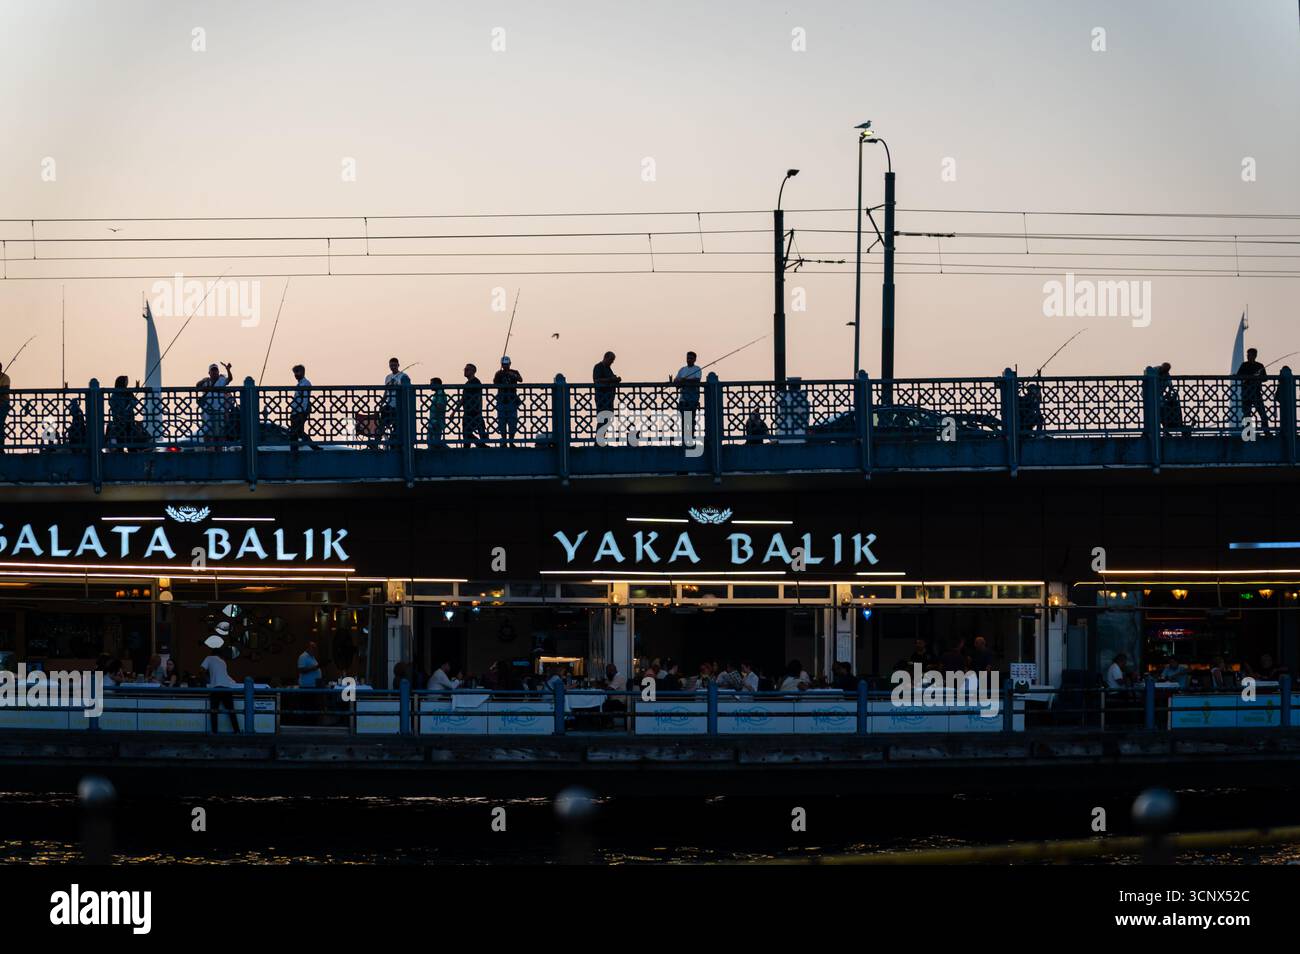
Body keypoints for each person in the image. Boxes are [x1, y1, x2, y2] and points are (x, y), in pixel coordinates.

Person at [200, 635, 241, 733]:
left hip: (216, 688)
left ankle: (215, 732)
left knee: (214, 711)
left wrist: (206, 680)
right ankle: (237, 731)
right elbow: (226, 676)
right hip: (227, 689)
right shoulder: (223, 662)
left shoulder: (209, 658)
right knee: (231, 711)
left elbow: (201, 670)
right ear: (220, 655)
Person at [1235, 347, 1270, 436]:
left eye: (1249, 355)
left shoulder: (1259, 366)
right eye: (1247, 355)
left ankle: (1266, 431)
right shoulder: (1244, 365)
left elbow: (1265, 378)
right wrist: (1248, 377)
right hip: (1246, 393)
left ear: (1255, 356)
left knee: (1262, 412)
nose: (1248, 356)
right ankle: (1249, 433)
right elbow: (1239, 376)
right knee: (1247, 413)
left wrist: (1257, 377)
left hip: (1256, 393)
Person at [289, 364, 321, 450]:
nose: (295, 375)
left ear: (302, 372)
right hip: (296, 411)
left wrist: (301, 412)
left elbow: (305, 400)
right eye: (294, 373)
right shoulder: (300, 384)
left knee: (296, 432)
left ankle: (311, 447)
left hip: (300, 412)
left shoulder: (305, 383)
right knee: (297, 432)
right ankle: (311, 447)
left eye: (297, 372)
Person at [672, 352, 703, 443]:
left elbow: (697, 380)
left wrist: (684, 380)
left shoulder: (697, 369)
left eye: (691, 358)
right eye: (688, 358)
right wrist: (676, 380)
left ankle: (690, 439)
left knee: (691, 420)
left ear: (695, 359)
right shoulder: (682, 370)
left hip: (692, 399)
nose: (689, 360)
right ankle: (684, 439)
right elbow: (676, 380)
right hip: (683, 399)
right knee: (684, 421)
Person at [379, 358, 409, 448]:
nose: (393, 367)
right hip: (389, 404)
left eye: (394, 365)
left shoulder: (403, 376)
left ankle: (394, 442)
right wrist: (382, 402)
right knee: (383, 423)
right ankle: (383, 439)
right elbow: (386, 391)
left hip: (398, 405)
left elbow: (406, 390)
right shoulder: (388, 377)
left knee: (397, 426)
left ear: (398, 365)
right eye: (391, 365)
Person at [493, 356, 523, 446]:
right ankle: (504, 441)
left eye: (507, 364)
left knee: (512, 421)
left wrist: (511, 374)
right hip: (502, 400)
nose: (505, 366)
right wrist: (498, 375)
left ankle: (511, 441)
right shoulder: (499, 373)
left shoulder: (514, 372)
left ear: (510, 364)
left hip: (512, 400)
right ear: (502, 365)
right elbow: (495, 383)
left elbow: (520, 379)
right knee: (502, 422)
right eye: (504, 365)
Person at [1156, 363, 1190, 438]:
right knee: (1158, 412)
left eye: (1166, 371)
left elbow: (1170, 387)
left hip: (1160, 398)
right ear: (1161, 368)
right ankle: (1163, 431)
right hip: (1150, 396)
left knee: (1166, 409)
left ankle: (1167, 429)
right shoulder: (1155, 371)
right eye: (1164, 370)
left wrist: (1170, 395)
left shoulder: (1167, 376)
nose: (1165, 372)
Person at [107, 375, 141, 449]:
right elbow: (113, 406)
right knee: (122, 437)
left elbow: (135, 401)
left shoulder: (127, 393)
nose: (127, 384)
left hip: (129, 420)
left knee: (131, 438)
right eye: (126, 382)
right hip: (120, 421)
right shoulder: (115, 395)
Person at [461, 364, 487, 448]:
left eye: (467, 369)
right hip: (469, 412)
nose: (465, 371)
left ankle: (480, 445)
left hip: (474, 412)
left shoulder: (476, 382)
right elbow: (463, 399)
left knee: (468, 433)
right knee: (466, 434)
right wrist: (454, 411)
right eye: (465, 369)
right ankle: (480, 445)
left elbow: (477, 398)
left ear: (473, 371)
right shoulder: (468, 383)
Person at [593, 351, 621, 419]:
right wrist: (611, 379)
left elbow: (610, 378)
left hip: (609, 398)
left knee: (608, 420)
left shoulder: (608, 368)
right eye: (611, 359)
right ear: (605, 358)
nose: (612, 362)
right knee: (602, 420)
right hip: (601, 397)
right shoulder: (598, 367)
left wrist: (615, 379)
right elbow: (597, 380)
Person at [427, 377, 448, 447]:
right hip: (434, 421)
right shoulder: (437, 393)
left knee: (433, 442)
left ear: (437, 384)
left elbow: (440, 406)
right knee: (433, 442)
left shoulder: (440, 393)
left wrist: (437, 421)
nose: (430, 385)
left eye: (432, 383)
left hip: (436, 421)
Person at [0, 360, 9, 452]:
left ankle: (1, 446)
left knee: (1, 425)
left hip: (3, 404)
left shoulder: (5, 378)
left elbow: (5, 389)